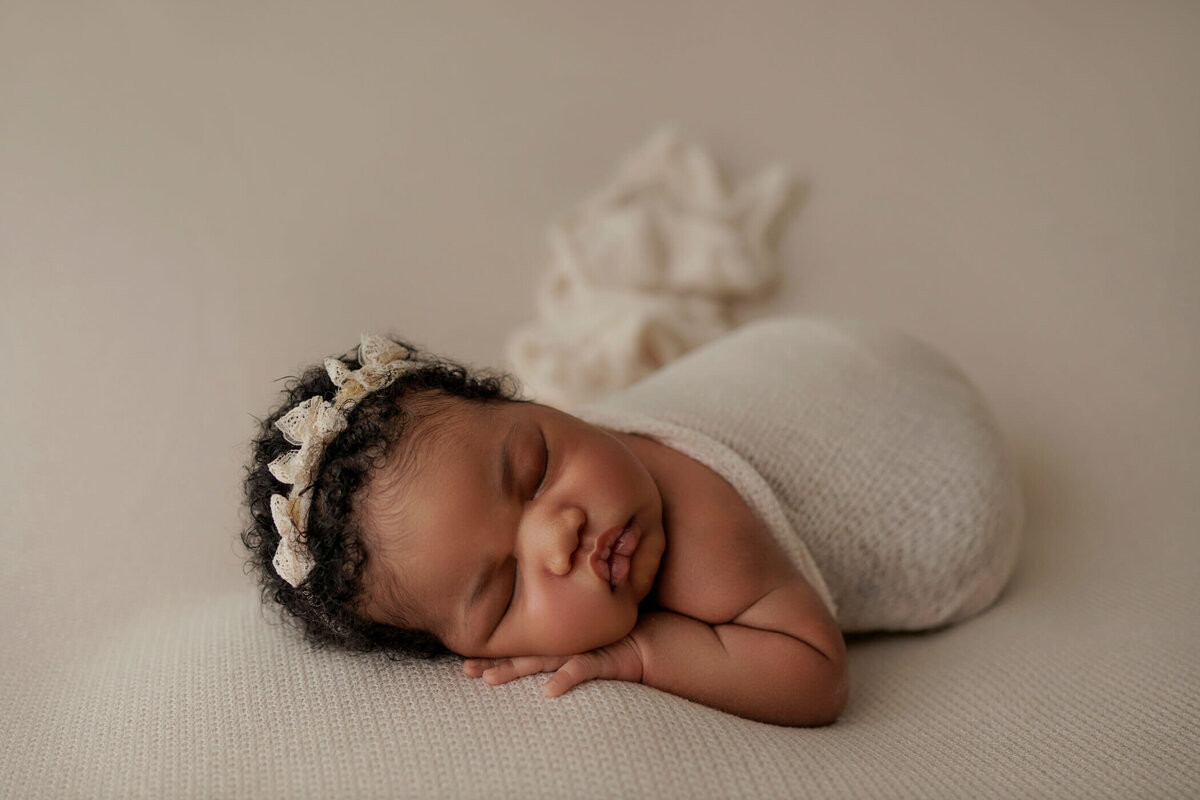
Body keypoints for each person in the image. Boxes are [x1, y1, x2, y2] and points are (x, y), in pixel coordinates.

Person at [242, 318, 1022, 727]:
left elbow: (816, 674)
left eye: (536, 469)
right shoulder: (576, 463)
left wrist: (643, 651)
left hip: (948, 481)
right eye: (507, 588)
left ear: (534, 402)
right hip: (837, 344)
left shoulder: (705, 541)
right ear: (464, 651)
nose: (559, 536)